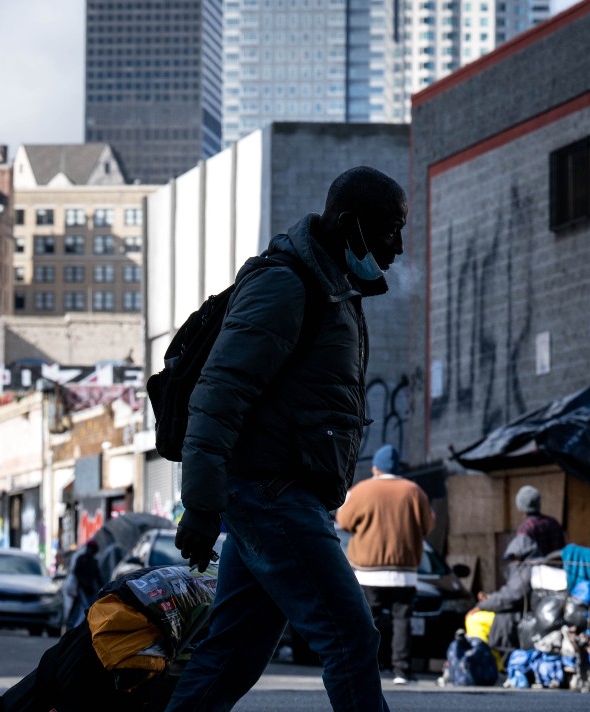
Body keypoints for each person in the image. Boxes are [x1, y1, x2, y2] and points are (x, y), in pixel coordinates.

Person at [169, 165, 407, 711]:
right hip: (272, 494)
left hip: (276, 495)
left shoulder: (330, 287)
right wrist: (201, 505)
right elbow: (219, 393)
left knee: (233, 654)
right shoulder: (287, 283)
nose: (396, 246)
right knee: (351, 634)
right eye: (389, 228)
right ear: (350, 224)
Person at [337, 444, 434, 686]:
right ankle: (402, 671)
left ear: (375, 467)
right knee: (403, 620)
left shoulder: (362, 490)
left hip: (368, 572)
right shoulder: (414, 491)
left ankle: (369, 668)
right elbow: (427, 526)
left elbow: (344, 521)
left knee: (369, 621)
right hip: (405, 571)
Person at [513, 485, 565, 556]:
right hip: (558, 566)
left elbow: (521, 555)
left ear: (520, 506)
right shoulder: (553, 522)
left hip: (536, 566)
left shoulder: (525, 527)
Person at [71, 540, 104, 627]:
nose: (91, 551)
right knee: (85, 607)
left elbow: (98, 576)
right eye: (90, 549)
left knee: (86, 607)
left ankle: (80, 626)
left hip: (89, 589)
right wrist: (84, 584)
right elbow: (76, 573)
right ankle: (77, 627)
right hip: (82, 588)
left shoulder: (93, 561)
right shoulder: (81, 559)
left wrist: (104, 587)